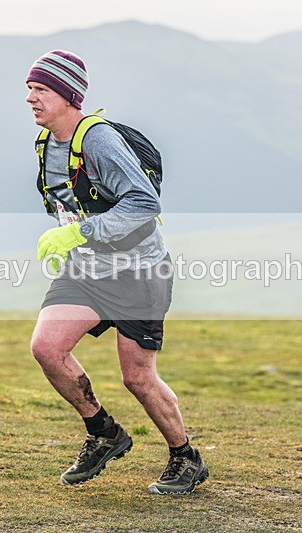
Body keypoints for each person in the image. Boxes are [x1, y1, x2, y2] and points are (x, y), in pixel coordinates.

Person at [25, 50, 208, 494]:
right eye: (29, 89)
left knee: (137, 378)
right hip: (87, 269)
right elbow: (70, 201)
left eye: (41, 89)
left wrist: (79, 232)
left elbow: (144, 203)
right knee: (47, 348)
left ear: (69, 95)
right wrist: (67, 239)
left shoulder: (99, 140)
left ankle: (185, 457)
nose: (31, 98)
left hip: (138, 272)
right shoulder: (46, 144)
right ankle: (104, 432)